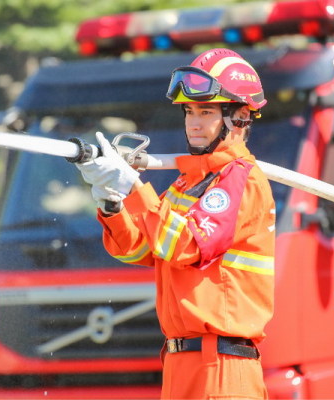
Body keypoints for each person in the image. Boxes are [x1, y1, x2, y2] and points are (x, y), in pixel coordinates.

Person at [76, 48, 276, 399]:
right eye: (189, 111)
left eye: (206, 111)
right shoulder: (188, 182)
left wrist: (133, 186)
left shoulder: (240, 180)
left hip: (222, 365)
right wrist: (112, 203)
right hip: (181, 359)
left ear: (240, 117)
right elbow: (143, 248)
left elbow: (186, 245)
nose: (194, 122)